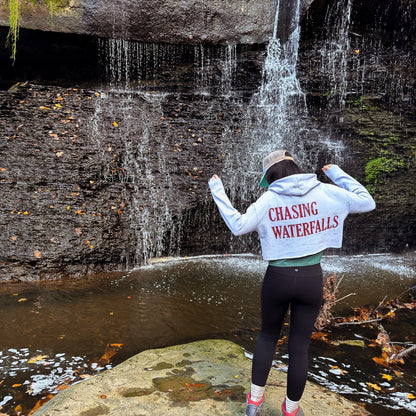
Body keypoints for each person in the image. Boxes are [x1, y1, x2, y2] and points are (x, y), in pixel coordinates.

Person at [208, 150, 376, 416]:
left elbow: (238, 226)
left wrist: (217, 189)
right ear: (295, 168)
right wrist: (336, 173)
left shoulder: (269, 199)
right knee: (299, 347)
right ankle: (291, 410)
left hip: (278, 278)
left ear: (270, 177)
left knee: (267, 338)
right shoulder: (325, 191)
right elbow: (367, 202)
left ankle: (254, 404)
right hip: (311, 278)